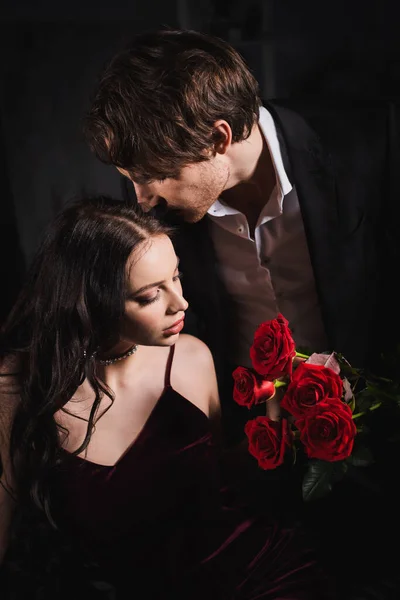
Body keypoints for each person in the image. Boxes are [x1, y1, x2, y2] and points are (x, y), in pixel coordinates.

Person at [0, 196, 334, 599]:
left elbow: (222, 486)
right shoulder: (18, 386)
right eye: (149, 295)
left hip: (264, 575)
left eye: (176, 277)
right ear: (89, 302)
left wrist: (277, 420)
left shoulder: (190, 358)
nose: (181, 303)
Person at [83, 28, 399, 447]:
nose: (141, 202)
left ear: (218, 138)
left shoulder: (370, 145)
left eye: (154, 176)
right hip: (240, 434)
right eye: (132, 180)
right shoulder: (154, 202)